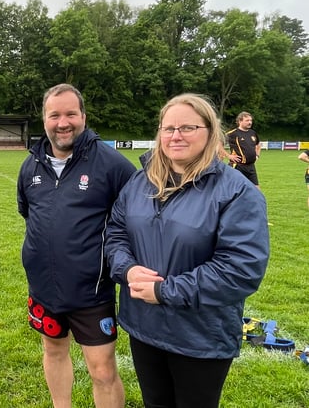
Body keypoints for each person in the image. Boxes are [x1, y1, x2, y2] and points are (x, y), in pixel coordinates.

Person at [105, 94, 270, 408]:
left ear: (209, 132)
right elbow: (116, 234)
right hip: (144, 325)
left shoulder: (237, 192)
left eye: (187, 127)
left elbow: (240, 269)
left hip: (200, 335)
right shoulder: (140, 182)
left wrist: (165, 291)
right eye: (168, 129)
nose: (175, 135)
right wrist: (126, 269)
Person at [17, 83, 135, 408]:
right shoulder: (31, 166)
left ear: (83, 116)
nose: (63, 122)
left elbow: (137, 218)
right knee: (53, 352)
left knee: (102, 371)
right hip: (43, 288)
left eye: (71, 113)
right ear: (44, 120)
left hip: (91, 293)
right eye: (54, 115)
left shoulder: (112, 165)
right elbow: (29, 214)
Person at [221, 111, 261, 188]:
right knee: (234, 190)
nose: (250, 122)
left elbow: (258, 145)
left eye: (251, 120)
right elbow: (218, 144)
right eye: (247, 120)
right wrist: (228, 156)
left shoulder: (253, 133)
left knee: (257, 191)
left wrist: (257, 155)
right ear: (240, 121)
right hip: (238, 167)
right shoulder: (232, 134)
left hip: (251, 167)